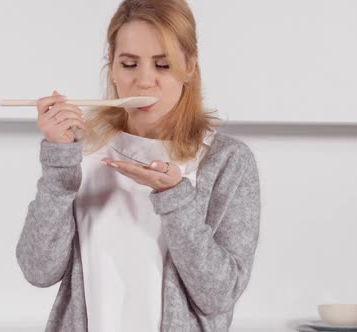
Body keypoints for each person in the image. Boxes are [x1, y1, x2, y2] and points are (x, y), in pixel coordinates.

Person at [16, 0, 260, 331]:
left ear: (189, 67)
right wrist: (59, 162)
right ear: (112, 68)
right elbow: (38, 269)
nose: (144, 81)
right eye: (129, 64)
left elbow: (218, 295)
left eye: (163, 65)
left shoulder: (227, 161)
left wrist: (174, 195)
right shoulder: (83, 151)